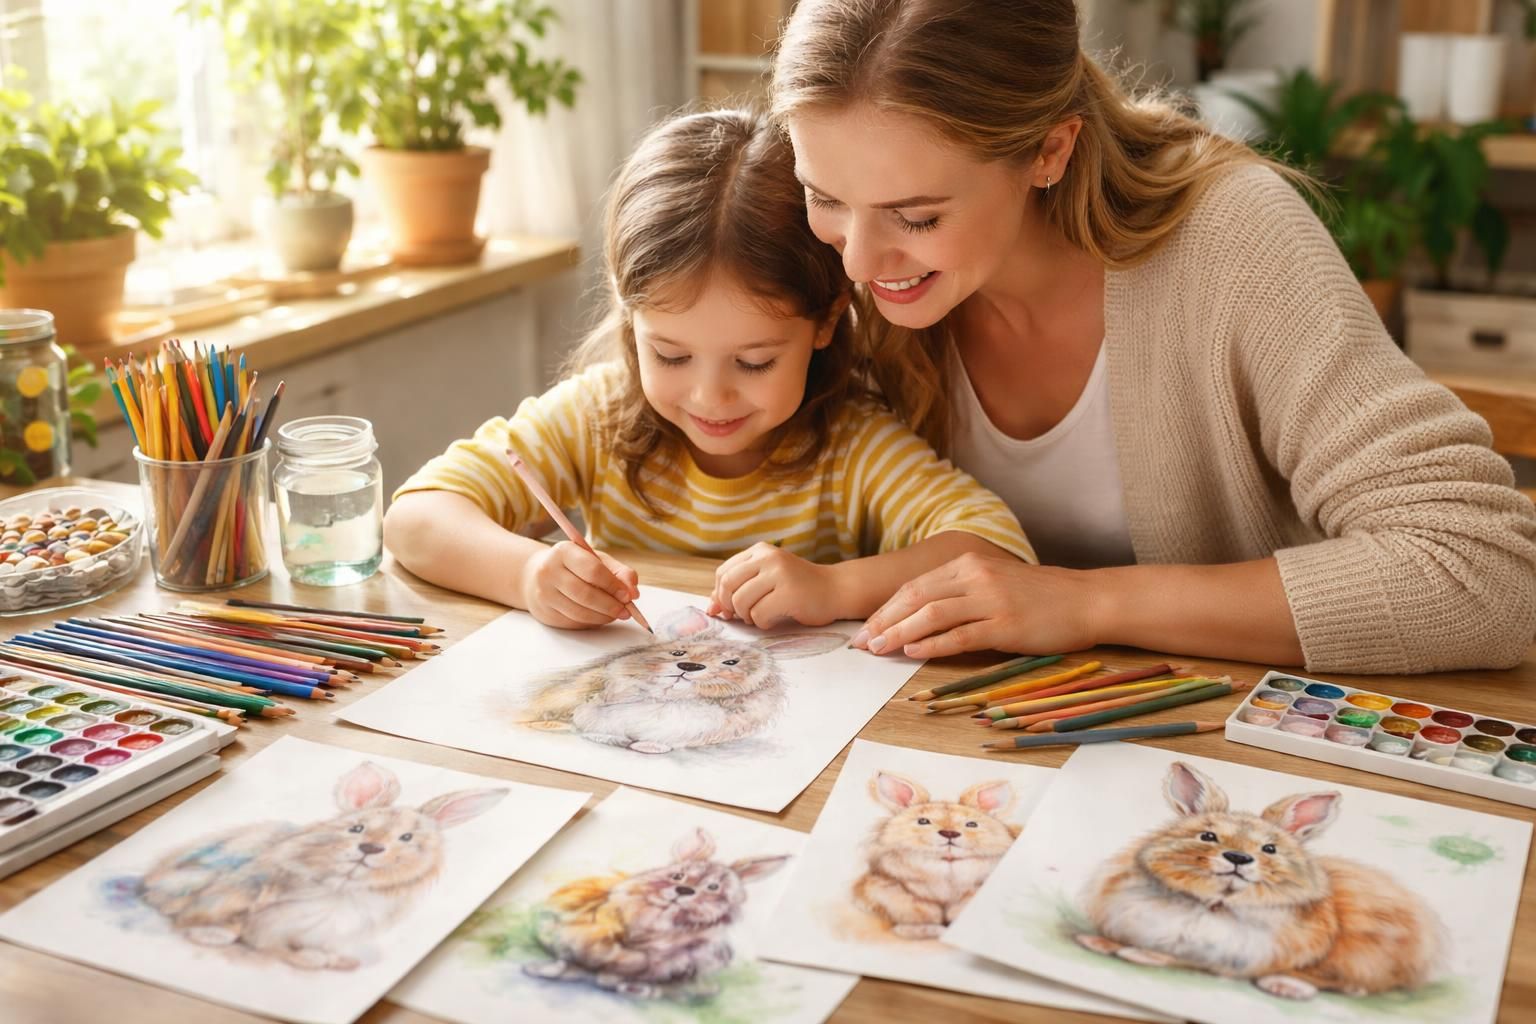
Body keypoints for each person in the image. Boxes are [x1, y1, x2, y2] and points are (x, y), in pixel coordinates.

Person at [770, 0, 1536, 673]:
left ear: (1049, 151)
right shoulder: (836, 248)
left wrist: (1089, 604)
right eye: (824, 197)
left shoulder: (1232, 237)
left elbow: (1485, 573)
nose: (860, 262)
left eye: (918, 217)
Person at [384, 107, 1036, 631]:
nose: (709, 395)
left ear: (826, 321)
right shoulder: (599, 416)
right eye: (670, 354)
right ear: (628, 313)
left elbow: (995, 551)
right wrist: (527, 576)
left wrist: (835, 586)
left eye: (754, 361)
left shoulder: (850, 448)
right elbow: (415, 520)